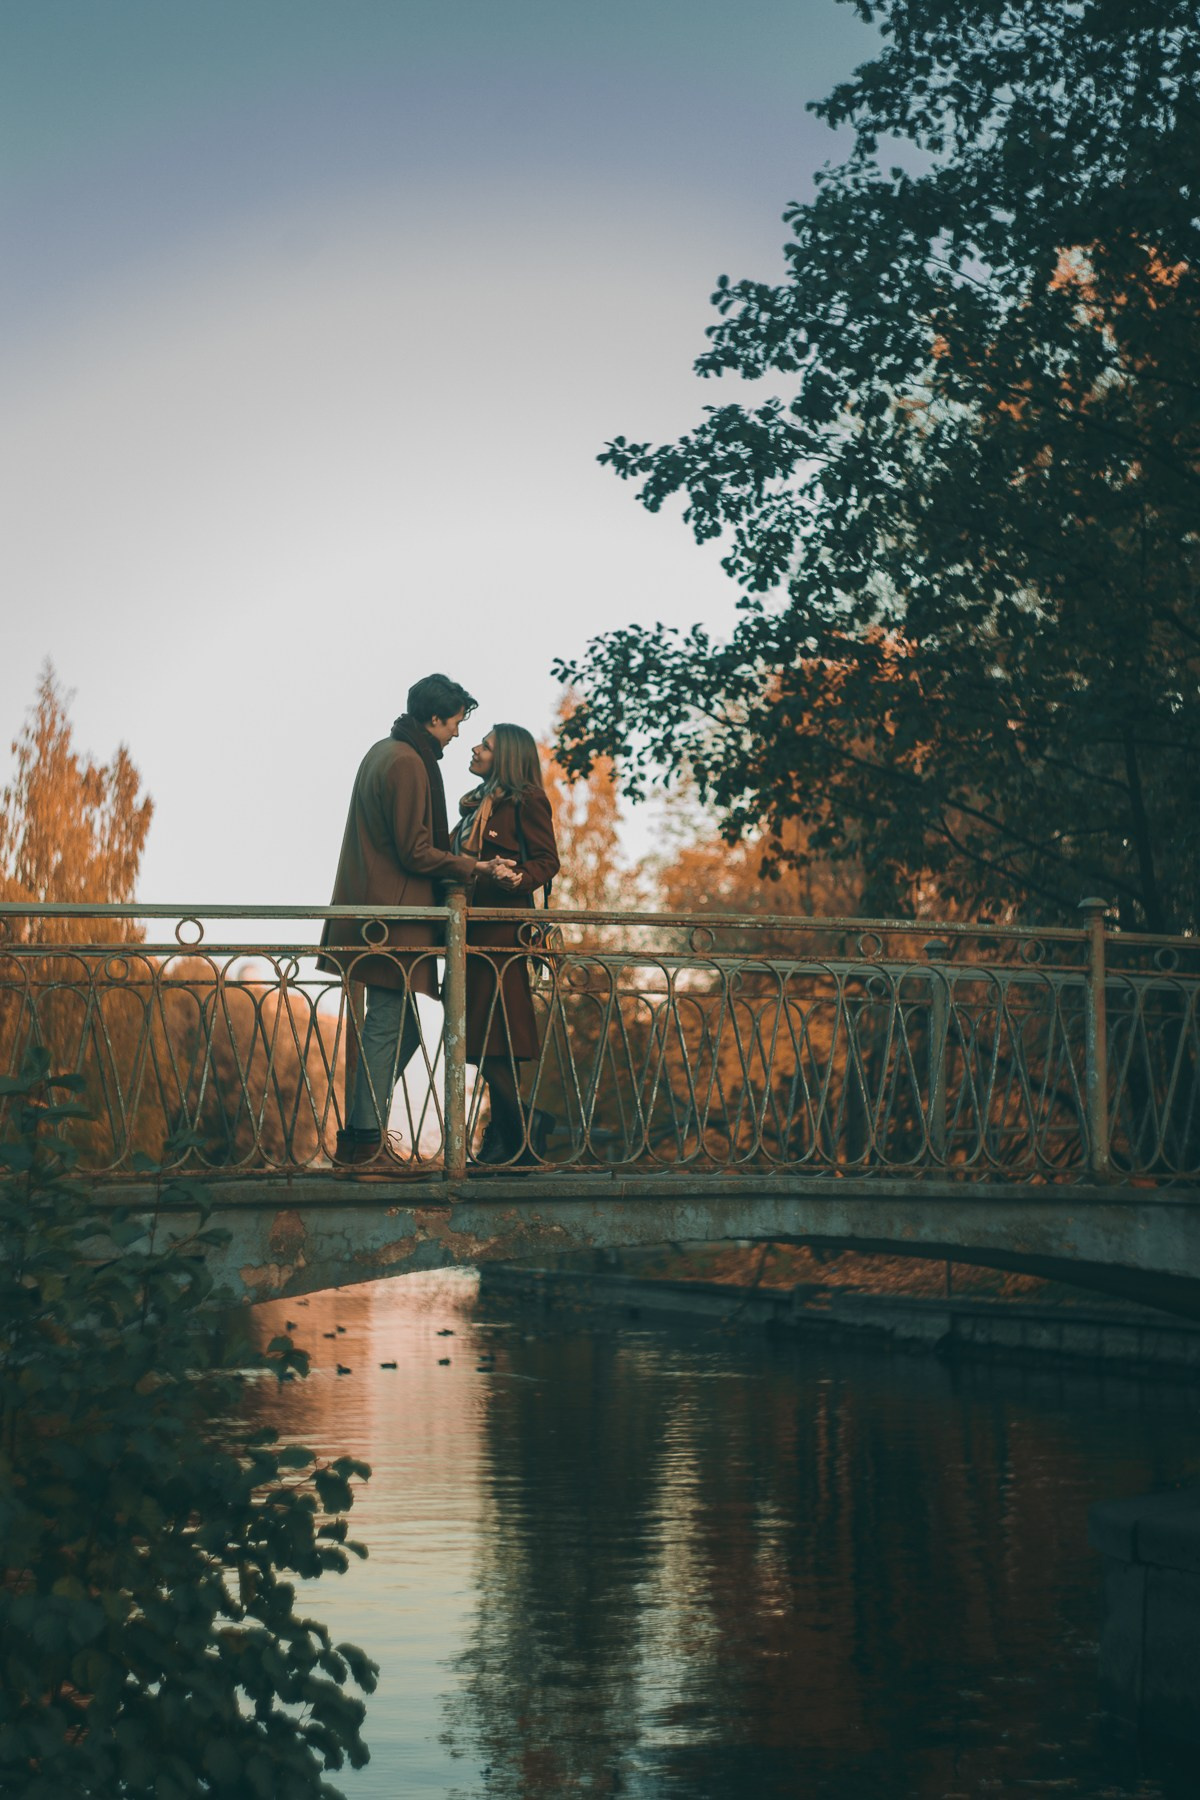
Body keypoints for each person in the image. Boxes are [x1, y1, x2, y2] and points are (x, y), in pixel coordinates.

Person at [319, 673, 514, 1166]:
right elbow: (415, 850)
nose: (455, 734)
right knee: (388, 1026)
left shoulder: (386, 751)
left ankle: (360, 1138)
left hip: (377, 912)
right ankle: (364, 1146)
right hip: (392, 919)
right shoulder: (407, 763)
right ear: (433, 719)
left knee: (399, 1030)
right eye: (453, 724)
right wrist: (476, 865)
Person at [454, 722, 561, 1165]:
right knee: (483, 1037)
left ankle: (514, 1137)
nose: (475, 748)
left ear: (507, 758)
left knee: (490, 1035)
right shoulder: (473, 807)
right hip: (469, 933)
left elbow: (547, 860)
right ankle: (511, 1135)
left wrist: (519, 877)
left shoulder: (526, 800)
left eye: (486, 745)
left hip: (501, 935)